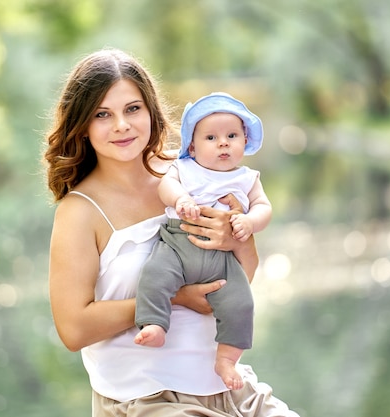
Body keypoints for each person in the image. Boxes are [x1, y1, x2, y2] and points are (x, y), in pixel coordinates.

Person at [44, 47, 299, 417]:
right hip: (146, 400)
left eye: (132, 109)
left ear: (150, 110)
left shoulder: (190, 172)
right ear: (82, 125)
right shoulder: (80, 211)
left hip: (229, 388)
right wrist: (173, 298)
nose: (122, 125)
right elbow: (73, 329)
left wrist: (237, 239)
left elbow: (243, 274)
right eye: (103, 114)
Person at [134, 92, 272, 391]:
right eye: (211, 137)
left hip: (222, 260)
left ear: (244, 142)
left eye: (232, 135)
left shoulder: (247, 178)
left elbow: (263, 207)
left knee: (241, 303)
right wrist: (180, 198)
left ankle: (227, 358)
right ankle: (154, 323)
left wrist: (249, 221)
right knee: (155, 275)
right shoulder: (183, 168)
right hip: (177, 244)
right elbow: (166, 186)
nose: (223, 143)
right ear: (192, 146)